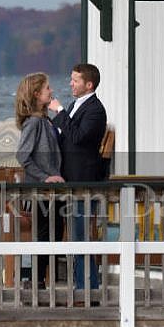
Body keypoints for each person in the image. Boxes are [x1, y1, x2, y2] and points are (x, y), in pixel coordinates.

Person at [49, 63, 107, 298]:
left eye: (75, 80)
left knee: (81, 236)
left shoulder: (95, 110)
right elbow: (62, 135)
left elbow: (78, 138)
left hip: (83, 181)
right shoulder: (76, 105)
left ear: (88, 84)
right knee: (74, 235)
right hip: (67, 180)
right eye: (71, 79)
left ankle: (89, 288)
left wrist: (60, 112)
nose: (71, 83)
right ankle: (81, 286)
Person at [15, 72, 64, 287]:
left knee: (55, 231)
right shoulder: (33, 123)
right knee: (45, 234)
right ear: (36, 94)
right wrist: (45, 178)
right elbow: (22, 155)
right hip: (43, 190)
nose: (51, 91)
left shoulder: (45, 121)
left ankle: (42, 280)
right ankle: (36, 280)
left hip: (54, 189)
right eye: (47, 89)